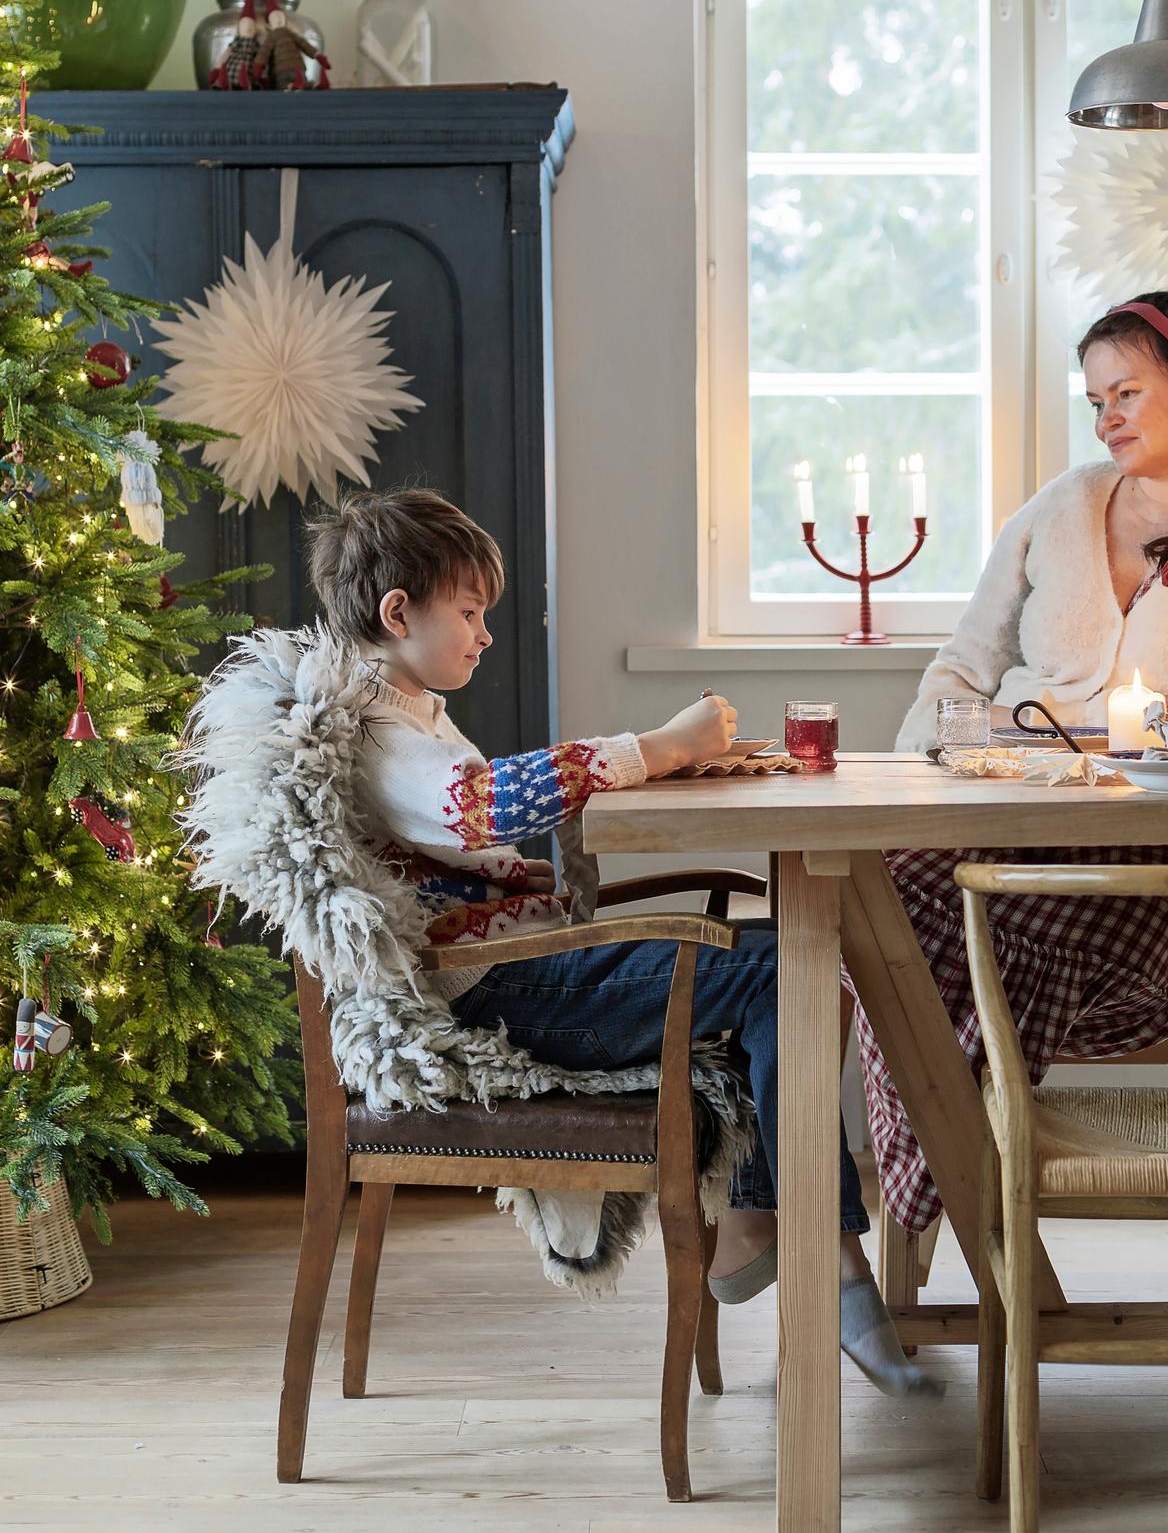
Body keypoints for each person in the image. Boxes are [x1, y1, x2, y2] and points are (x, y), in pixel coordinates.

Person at [306, 487, 935, 1395]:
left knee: (786, 956)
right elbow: (478, 805)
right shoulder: (374, 722)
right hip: (491, 996)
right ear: (397, 611)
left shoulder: (406, 711)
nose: (483, 634)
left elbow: (441, 849)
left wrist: (506, 878)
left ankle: (770, 1225)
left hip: (509, 966)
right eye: (470, 612)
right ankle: (819, 1259)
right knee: (784, 969)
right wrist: (657, 747)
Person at [858, 290, 1168, 1236]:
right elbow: (959, 667)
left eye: (1124, 392)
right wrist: (941, 747)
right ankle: (967, 1186)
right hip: (1004, 826)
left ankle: (939, 1197)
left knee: (913, 914)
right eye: (1094, 401)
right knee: (876, 885)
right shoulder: (1059, 505)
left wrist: (1066, 742)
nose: (1105, 417)